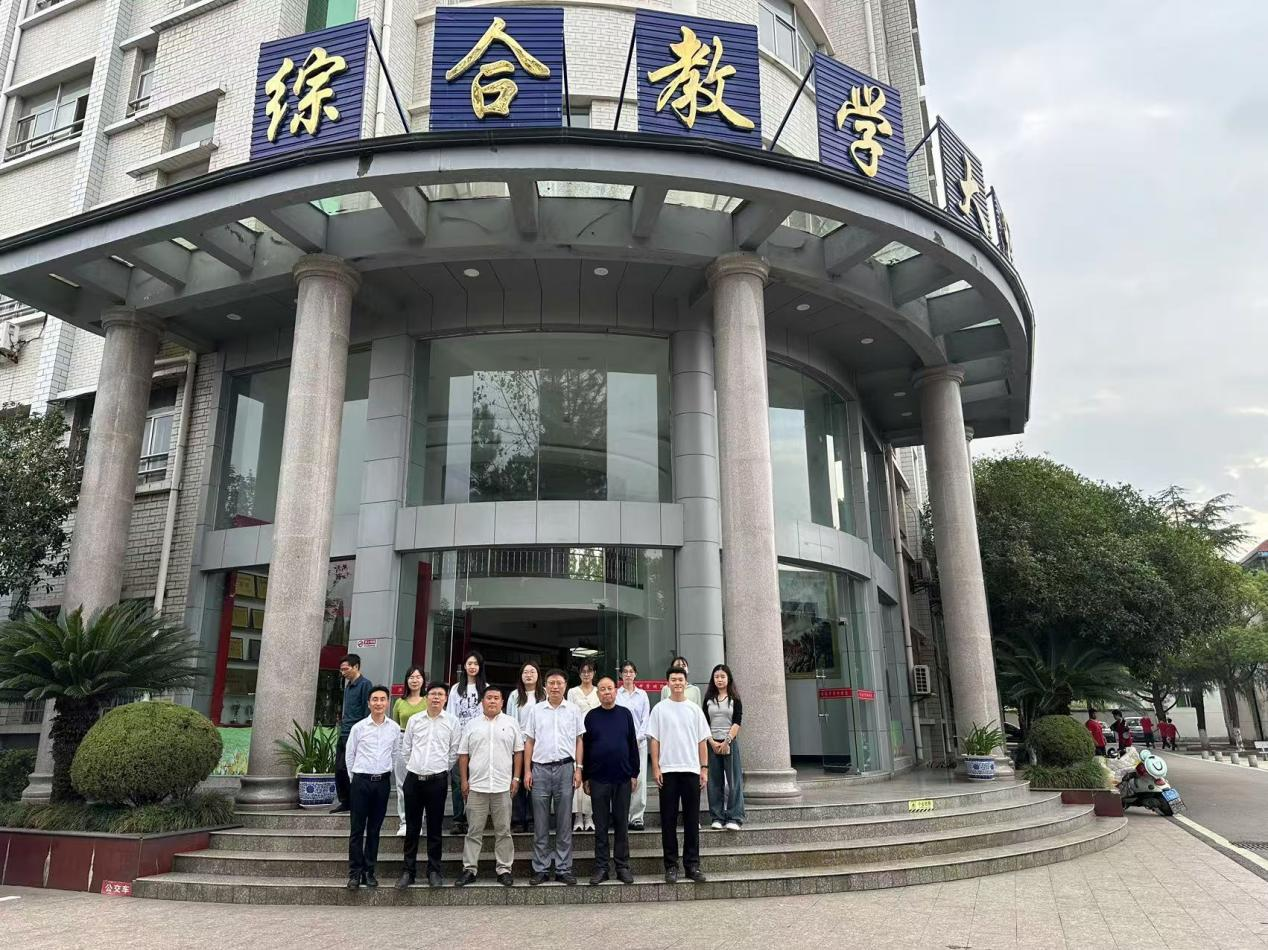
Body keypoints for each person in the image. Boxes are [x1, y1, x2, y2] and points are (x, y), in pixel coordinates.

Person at [646, 665, 710, 884]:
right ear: (668, 683)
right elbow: (655, 740)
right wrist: (656, 768)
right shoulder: (659, 709)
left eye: (680, 679)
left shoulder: (694, 709)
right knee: (668, 820)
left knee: (692, 820)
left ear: (686, 682)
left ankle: (692, 865)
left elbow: (702, 741)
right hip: (668, 771)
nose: (677, 683)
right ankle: (671, 866)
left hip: (691, 770)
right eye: (673, 680)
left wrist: (704, 768)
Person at [456, 684, 523, 887]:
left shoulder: (511, 723)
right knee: (473, 831)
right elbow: (463, 754)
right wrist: (464, 780)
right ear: (482, 701)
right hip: (477, 786)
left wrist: (516, 778)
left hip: (503, 786)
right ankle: (469, 869)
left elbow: (518, 752)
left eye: (496, 698)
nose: (492, 701)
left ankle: (504, 869)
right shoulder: (472, 725)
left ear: (502, 702)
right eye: (489, 698)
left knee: (503, 831)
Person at [396, 681, 461, 889]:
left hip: (437, 781)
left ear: (445, 699)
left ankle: (434, 870)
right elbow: (406, 750)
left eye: (440, 694)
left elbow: (453, 753)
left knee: (435, 828)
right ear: (426, 697)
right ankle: (408, 871)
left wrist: (439, 770)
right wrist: (416, 767)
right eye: (433, 694)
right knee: (412, 828)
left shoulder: (452, 722)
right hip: (414, 780)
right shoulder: (415, 720)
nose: (436, 697)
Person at [523, 668, 584, 885]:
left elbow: (579, 740)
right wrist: (527, 770)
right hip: (540, 770)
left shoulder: (573, 710)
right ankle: (540, 869)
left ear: (565, 686)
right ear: (545, 686)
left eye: (559, 683)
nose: (555, 686)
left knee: (564, 822)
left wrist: (579, 768)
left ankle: (563, 868)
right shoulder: (536, 710)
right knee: (540, 823)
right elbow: (529, 741)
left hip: (565, 768)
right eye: (551, 683)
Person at [582, 674, 639, 885]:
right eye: (603, 689)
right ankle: (601, 867)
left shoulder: (625, 714)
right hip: (598, 778)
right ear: (598, 694)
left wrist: (634, 773)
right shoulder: (591, 717)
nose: (607, 692)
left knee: (622, 823)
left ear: (616, 691)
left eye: (610, 688)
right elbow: (586, 748)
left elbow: (632, 744)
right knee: (601, 824)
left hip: (622, 777)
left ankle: (622, 866)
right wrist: (586, 776)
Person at [345, 685, 400, 889]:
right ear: (369, 703)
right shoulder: (358, 728)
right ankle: (354, 873)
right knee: (357, 830)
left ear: (388, 702)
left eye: (382, 699)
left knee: (375, 829)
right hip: (361, 782)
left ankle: (369, 871)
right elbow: (350, 755)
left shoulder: (394, 728)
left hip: (382, 783)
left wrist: (386, 773)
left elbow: (395, 754)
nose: (378, 703)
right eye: (375, 699)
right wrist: (355, 778)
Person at [447, 651, 487, 835]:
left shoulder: (485, 688)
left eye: (475, 664)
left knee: (476, 781)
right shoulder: (456, 689)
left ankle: (474, 818)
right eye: (469, 663)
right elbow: (451, 716)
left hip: (479, 743)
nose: (472, 667)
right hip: (459, 742)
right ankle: (458, 819)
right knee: (457, 782)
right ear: (464, 666)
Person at [702, 663, 745, 830]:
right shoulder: (708, 699)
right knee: (714, 782)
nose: (719, 680)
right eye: (716, 677)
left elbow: (737, 722)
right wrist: (712, 742)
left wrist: (727, 741)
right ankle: (717, 817)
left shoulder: (735, 699)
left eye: (722, 676)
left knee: (734, 781)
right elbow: (704, 723)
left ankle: (735, 817)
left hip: (729, 743)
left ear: (728, 679)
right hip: (712, 744)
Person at [506, 661, 545, 832]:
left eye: (532, 672)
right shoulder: (514, 695)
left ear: (538, 675)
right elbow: (509, 720)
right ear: (521, 676)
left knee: (536, 783)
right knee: (518, 780)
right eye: (525, 672)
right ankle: (518, 820)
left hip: (540, 744)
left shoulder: (544, 694)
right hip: (519, 744)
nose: (529, 675)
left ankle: (533, 819)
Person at [332, 653, 373, 814]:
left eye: (346, 669)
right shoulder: (348, 686)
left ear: (356, 667)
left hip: (356, 733)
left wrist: (364, 734)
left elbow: (366, 711)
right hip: (344, 731)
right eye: (341, 669)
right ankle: (345, 801)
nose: (343, 672)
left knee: (350, 768)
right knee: (339, 769)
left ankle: (355, 801)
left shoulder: (365, 685)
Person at [391, 666, 428, 835]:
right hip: (402, 739)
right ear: (407, 680)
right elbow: (395, 724)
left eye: (418, 677)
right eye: (411, 677)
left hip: (422, 742)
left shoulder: (427, 700)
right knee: (402, 784)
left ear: (423, 680)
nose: (415, 680)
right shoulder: (400, 702)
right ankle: (404, 822)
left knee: (421, 785)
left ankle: (418, 823)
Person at [615, 660, 651, 830]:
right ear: (621, 675)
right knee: (621, 779)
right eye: (625, 671)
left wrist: (637, 738)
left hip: (639, 743)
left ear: (635, 674)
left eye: (631, 671)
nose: (628, 674)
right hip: (620, 744)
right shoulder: (616, 694)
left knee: (639, 779)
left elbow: (646, 718)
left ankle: (636, 817)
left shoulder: (642, 695)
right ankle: (622, 815)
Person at [567, 659, 601, 831]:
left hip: (595, 739)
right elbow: (569, 716)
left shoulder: (598, 691)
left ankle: (590, 816)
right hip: (577, 738)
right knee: (578, 775)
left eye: (589, 671)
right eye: (583, 671)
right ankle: (578, 817)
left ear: (594, 673)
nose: (586, 674)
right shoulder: (572, 692)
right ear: (579, 673)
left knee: (592, 776)